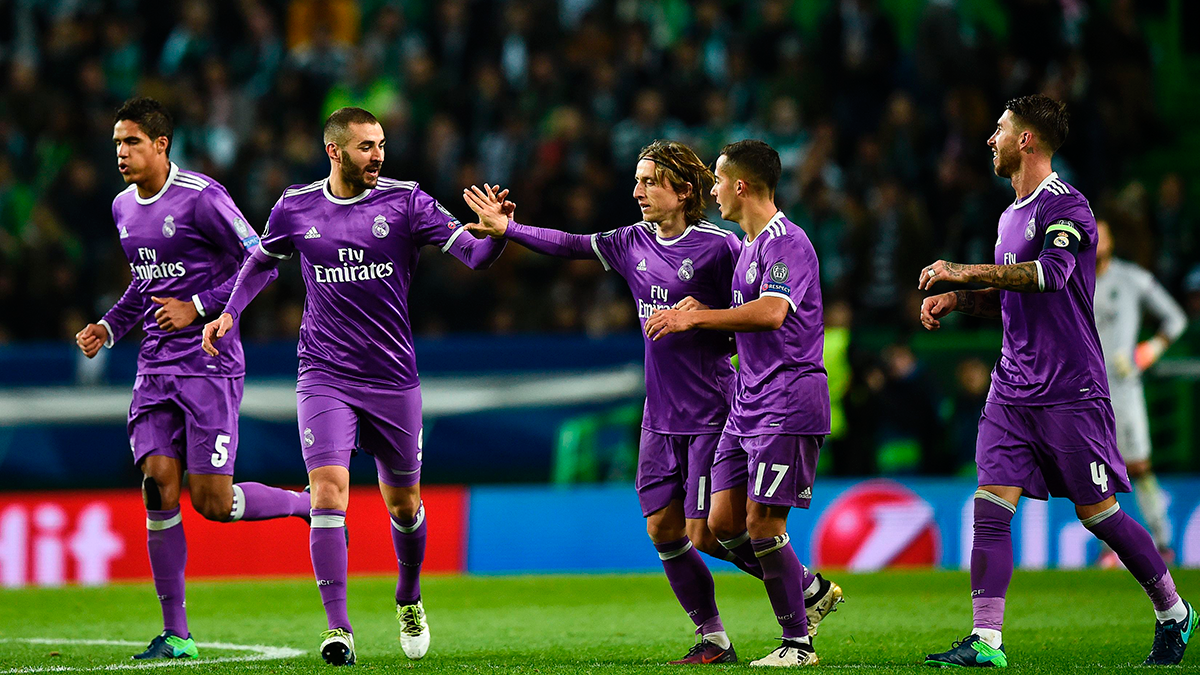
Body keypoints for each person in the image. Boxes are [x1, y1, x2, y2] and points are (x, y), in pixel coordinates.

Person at [464, 139, 829, 664]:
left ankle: (800, 602)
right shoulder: (631, 241)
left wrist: (699, 323)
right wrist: (510, 230)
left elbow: (757, 319)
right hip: (660, 416)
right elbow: (570, 244)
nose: (636, 192)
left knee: (711, 533)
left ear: (682, 191)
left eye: (648, 182)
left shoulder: (725, 248)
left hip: (714, 409)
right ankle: (716, 637)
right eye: (636, 181)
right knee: (663, 528)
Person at [201, 107, 506, 665]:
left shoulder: (407, 201)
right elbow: (261, 261)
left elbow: (475, 256)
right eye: (367, 146)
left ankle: (408, 597)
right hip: (324, 374)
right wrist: (228, 313)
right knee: (328, 494)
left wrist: (499, 235)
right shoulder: (295, 206)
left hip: (392, 378)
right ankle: (338, 628)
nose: (379, 155)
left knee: (405, 505)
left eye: (382, 144)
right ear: (335, 151)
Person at [918, 94, 1194, 667]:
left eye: (999, 128)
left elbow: (1048, 275)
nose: (989, 138)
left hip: (1071, 390)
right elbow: (1010, 296)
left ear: (1026, 140)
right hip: (1012, 387)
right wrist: (961, 298)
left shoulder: (1067, 208)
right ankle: (986, 640)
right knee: (990, 506)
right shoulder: (1007, 214)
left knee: (1099, 515)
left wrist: (962, 267)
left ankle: (1174, 612)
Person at [74, 97, 309, 661]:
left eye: (131, 142)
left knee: (212, 502)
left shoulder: (203, 198)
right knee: (157, 483)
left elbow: (264, 261)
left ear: (161, 144)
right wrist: (109, 326)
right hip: (155, 364)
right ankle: (177, 634)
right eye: (115, 145)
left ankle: (305, 506)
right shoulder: (122, 208)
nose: (121, 154)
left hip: (210, 361)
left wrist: (200, 306)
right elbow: (145, 284)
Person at [644, 139, 839, 667]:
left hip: (787, 398)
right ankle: (810, 591)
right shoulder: (747, 248)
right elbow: (743, 328)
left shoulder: (787, 243)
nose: (712, 190)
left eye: (718, 181)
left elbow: (773, 313)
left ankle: (798, 643)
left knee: (762, 526)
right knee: (714, 528)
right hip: (745, 402)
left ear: (741, 186)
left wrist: (697, 317)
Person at [1094, 218, 1187, 561]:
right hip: (1086, 393)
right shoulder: (1072, 280)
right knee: (1097, 472)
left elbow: (1175, 319)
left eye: (1104, 232)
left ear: (1113, 240)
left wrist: (1150, 350)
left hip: (1123, 389)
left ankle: (1163, 544)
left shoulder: (1131, 279)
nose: (1098, 238)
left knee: (1140, 466)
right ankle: (1108, 551)